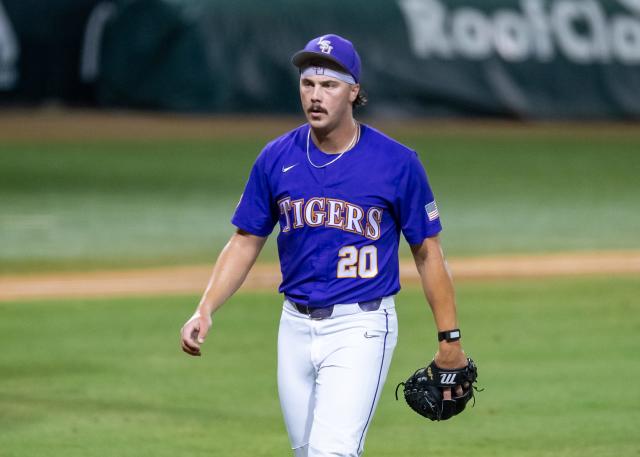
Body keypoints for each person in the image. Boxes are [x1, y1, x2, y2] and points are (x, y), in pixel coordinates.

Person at [180, 33, 469, 457]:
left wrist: (450, 339)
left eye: (329, 85)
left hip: (361, 327)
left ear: (354, 92)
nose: (315, 96)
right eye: (308, 84)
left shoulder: (397, 163)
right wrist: (205, 308)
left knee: (330, 452)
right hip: (293, 327)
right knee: (306, 452)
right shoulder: (276, 157)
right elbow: (245, 241)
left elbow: (428, 254)